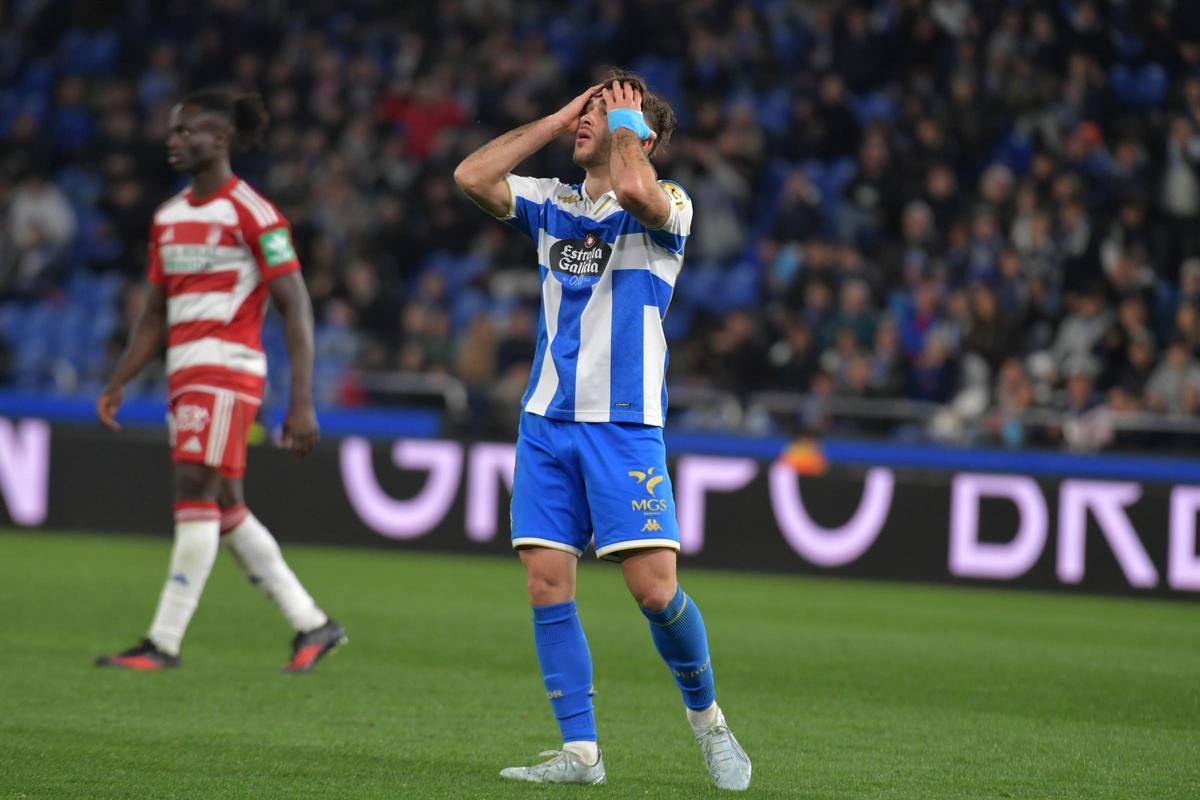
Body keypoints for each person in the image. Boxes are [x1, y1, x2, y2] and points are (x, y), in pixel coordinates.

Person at [453, 69, 751, 790]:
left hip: (623, 423)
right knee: (546, 583)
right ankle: (581, 753)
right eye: (590, 108)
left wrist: (625, 130)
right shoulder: (551, 203)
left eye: (606, 111)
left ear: (641, 134)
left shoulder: (668, 206)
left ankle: (709, 723)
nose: (591, 118)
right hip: (546, 420)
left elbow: (639, 193)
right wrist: (557, 120)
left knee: (655, 591)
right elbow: (471, 176)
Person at [94, 89, 346, 673]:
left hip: (228, 369)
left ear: (221, 139)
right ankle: (312, 623)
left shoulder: (253, 213)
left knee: (194, 486)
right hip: (185, 372)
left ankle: (163, 642)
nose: (174, 141)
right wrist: (119, 380)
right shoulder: (168, 218)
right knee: (226, 503)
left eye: (187, 131)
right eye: (172, 131)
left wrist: (302, 400)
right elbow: (154, 312)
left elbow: (296, 306)